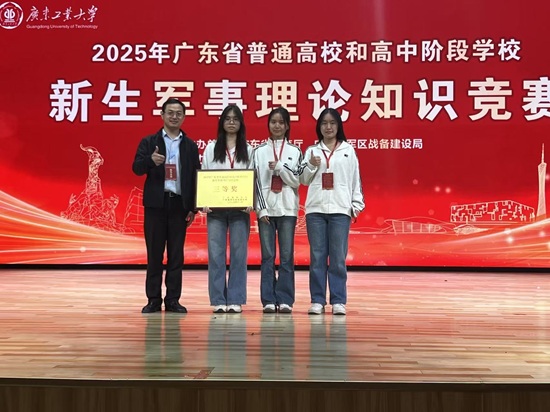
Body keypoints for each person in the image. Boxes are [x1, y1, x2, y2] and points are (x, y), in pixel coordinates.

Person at [132, 98, 200, 314]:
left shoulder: (189, 145)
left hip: (179, 205)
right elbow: (136, 168)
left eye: (178, 113)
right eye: (170, 112)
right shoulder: (149, 141)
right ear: (162, 115)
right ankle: (153, 299)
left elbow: (195, 177)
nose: (174, 117)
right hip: (156, 205)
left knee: (176, 255)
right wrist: (150, 161)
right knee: (154, 254)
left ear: (184, 117)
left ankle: (172, 300)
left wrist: (193, 207)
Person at [299, 108, 365, 316]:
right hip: (315, 210)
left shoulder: (348, 150)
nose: (328, 127)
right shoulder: (312, 150)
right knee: (317, 256)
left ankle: (338, 300)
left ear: (338, 126)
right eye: (324, 123)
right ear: (319, 127)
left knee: (337, 257)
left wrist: (355, 206)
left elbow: (355, 180)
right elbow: (303, 179)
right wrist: (311, 165)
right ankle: (317, 300)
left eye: (332, 123)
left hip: (340, 210)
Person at [202, 104, 254, 314]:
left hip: (240, 211)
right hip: (215, 211)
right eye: (227, 119)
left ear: (241, 123)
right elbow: (204, 174)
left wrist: (250, 200)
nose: (231, 122)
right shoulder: (211, 148)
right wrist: (204, 201)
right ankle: (218, 299)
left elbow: (253, 177)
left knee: (239, 255)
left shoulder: (248, 149)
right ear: (221, 122)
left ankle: (235, 299)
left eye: (235, 119)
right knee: (216, 254)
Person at [253, 107, 302, 314]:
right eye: (273, 122)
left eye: (281, 122)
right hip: (266, 212)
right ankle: (268, 299)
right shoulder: (258, 151)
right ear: (268, 125)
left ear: (287, 125)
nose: (277, 126)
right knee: (267, 256)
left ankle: (285, 299)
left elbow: (297, 181)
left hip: (288, 210)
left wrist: (281, 168)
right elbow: (254, 182)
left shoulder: (295, 151)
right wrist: (261, 209)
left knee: (286, 256)